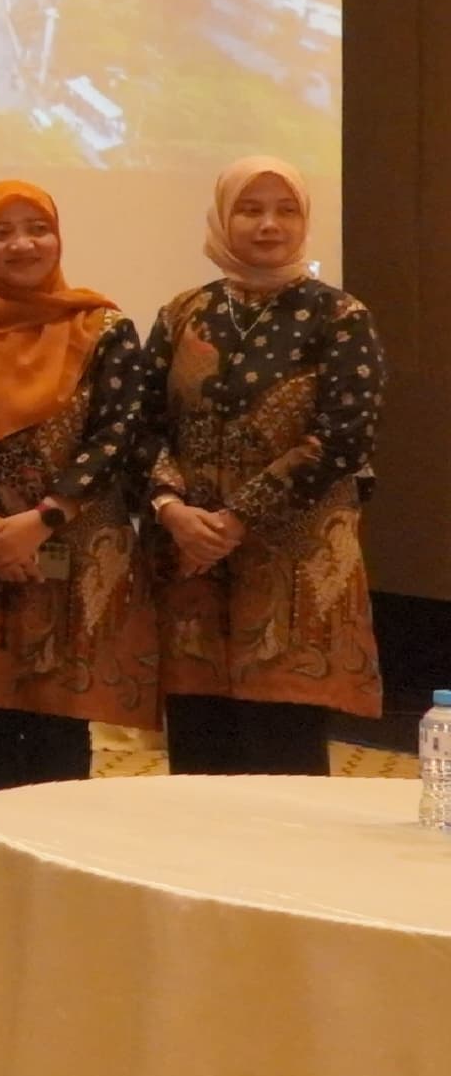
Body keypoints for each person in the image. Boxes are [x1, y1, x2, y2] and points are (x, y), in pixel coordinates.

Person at [148, 158, 379, 776]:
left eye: (286, 210)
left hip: (294, 567)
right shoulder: (181, 313)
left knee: (284, 759)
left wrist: (235, 520)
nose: (268, 225)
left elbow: (343, 437)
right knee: (199, 756)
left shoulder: (340, 317)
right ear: (223, 218)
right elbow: (142, 425)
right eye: (250, 209)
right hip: (191, 561)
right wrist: (173, 511)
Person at [0, 182, 158, 801]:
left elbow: (119, 432)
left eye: (38, 227)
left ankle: (53, 887)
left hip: (73, 552)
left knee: (60, 731)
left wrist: (43, 518)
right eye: (0, 232)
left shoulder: (102, 327)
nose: (22, 244)